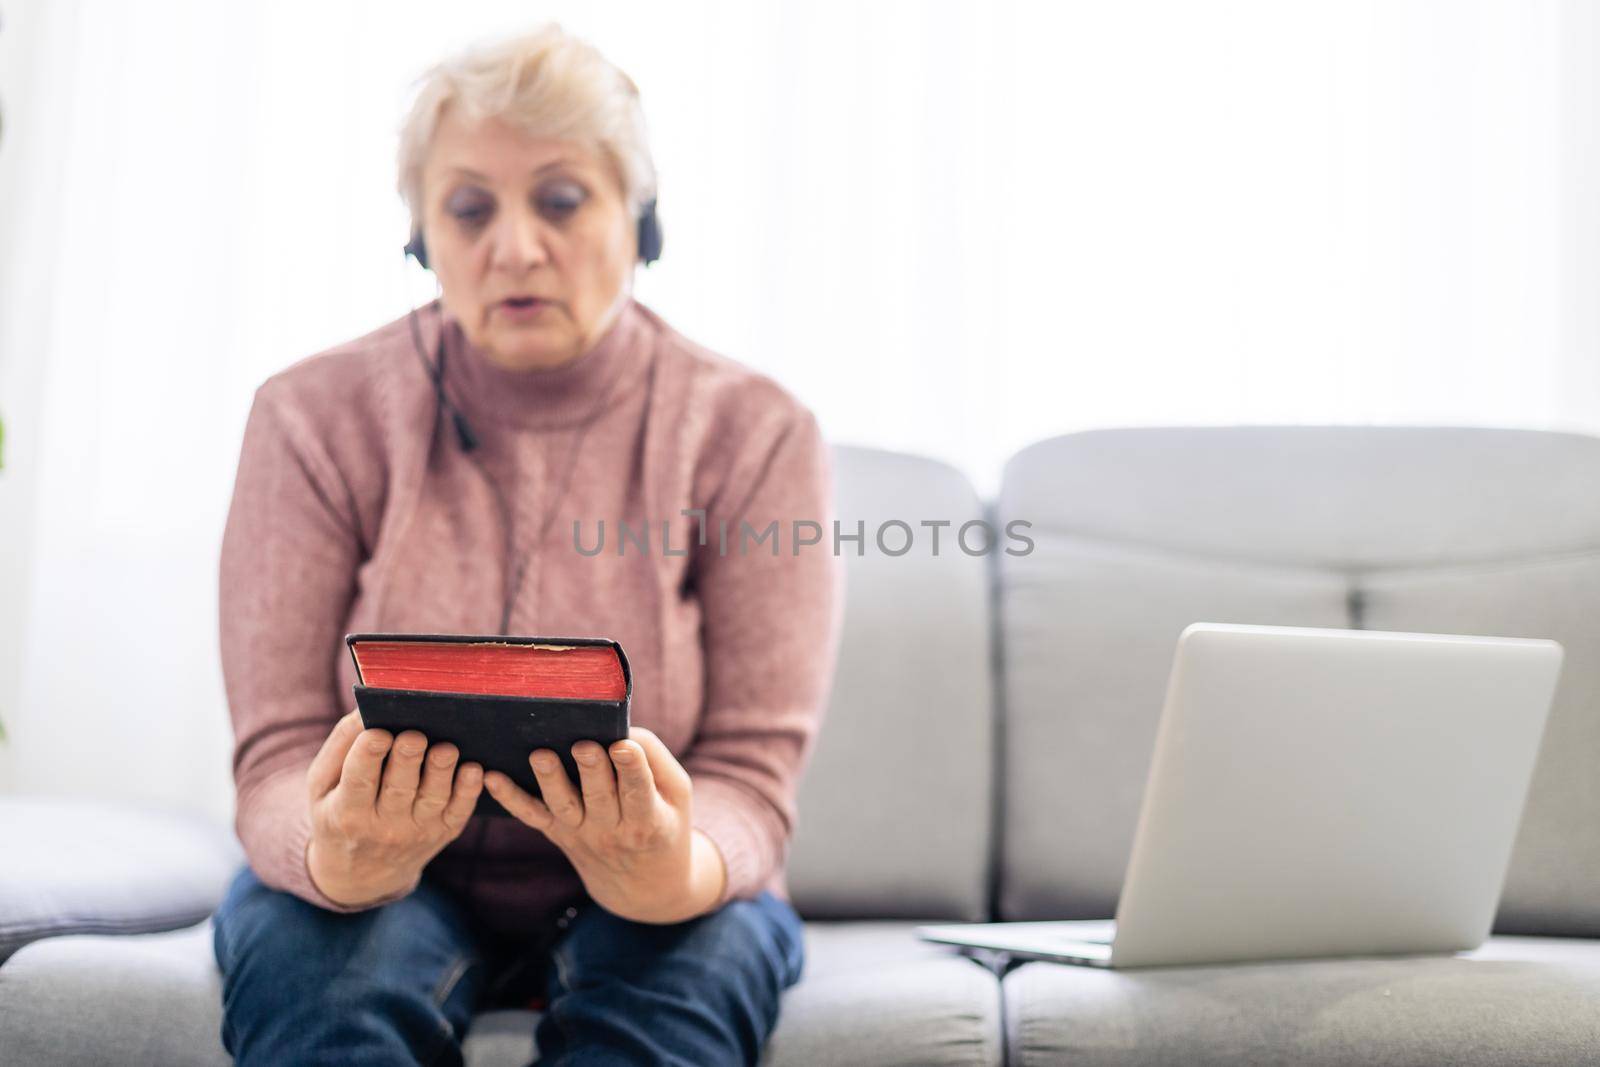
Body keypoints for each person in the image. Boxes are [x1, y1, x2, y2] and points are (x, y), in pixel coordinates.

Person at [212, 22, 843, 1066]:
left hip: (663, 892)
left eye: (559, 199)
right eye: (468, 208)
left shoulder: (757, 430)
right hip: (375, 884)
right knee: (332, 1009)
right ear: (421, 235)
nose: (513, 247)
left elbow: (751, 773)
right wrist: (335, 854)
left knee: (661, 1023)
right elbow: (277, 751)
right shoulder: (308, 417)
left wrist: (673, 868)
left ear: (640, 223)